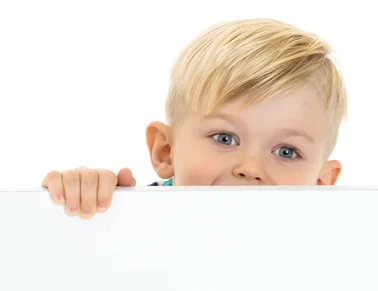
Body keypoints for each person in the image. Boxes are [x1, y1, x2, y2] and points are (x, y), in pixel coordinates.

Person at [42, 18, 348, 218]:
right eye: (225, 138)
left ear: (321, 184)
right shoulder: (133, 221)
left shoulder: (325, 254)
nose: (251, 169)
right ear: (166, 151)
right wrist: (83, 201)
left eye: (286, 151)